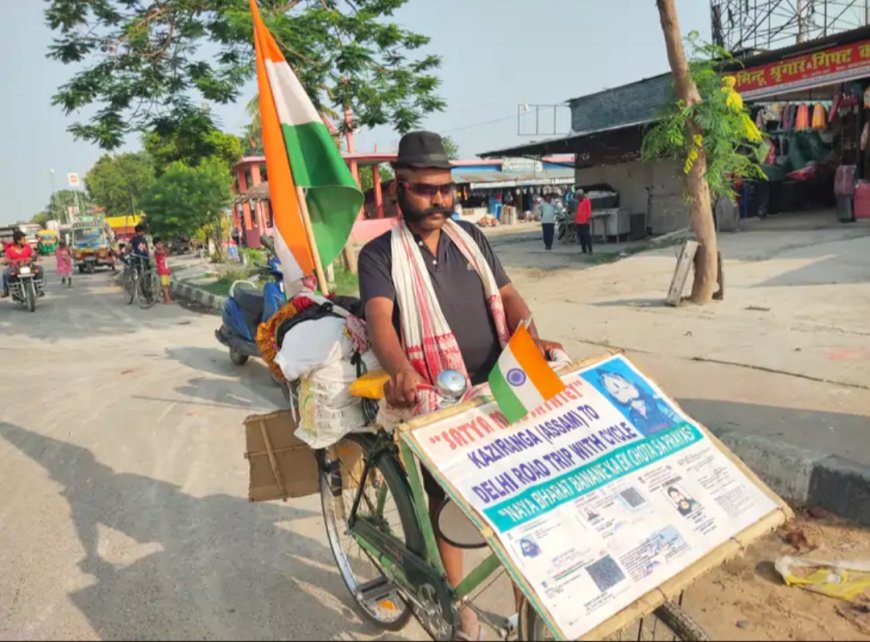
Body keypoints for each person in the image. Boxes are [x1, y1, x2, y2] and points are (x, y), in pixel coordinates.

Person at [358, 130, 563, 639]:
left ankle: (524, 617)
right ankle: (463, 613)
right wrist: (401, 370)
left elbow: (510, 297)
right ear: (398, 188)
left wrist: (531, 339)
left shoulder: (470, 238)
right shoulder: (379, 255)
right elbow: (380, 320)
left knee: (522, 503)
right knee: (444, 502)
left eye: (446, 189)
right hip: (437, 395)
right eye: (425, 190)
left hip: (499, 385)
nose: (439, 201)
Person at [2, 230, 45, 298]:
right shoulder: (10, 249)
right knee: (5, 273)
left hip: (28, 266)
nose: (25, 240)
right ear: (18, 241)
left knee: (40, 269)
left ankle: (39, 289)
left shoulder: (27, 247)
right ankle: (6, 291)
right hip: (15, 267)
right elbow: (7, 258)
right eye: (23, 239)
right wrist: (6, 261)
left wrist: (36, 257)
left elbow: (33, 254)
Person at [153, 238, 172, 304]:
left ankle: (165, 299)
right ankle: (168, 298)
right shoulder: (157, 251)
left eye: (160, 243)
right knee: (164, 285)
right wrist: (165, 248)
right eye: (158, 244)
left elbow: (167, 253)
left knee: (166, 285)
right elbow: (163, 252)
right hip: (161, 269)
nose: (159, 245)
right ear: (155, 245)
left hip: (166, 268)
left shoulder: (164, 250)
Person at [574, 189, 593, 254]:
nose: (578, 197)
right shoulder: (578, 202)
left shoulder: (587, 200)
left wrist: (588, 219)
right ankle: (583, 250)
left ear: (581, 195)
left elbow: (589, 210)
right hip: (578, 222)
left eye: (578, 196)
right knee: (581, 236)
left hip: (585, 221)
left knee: (587, 236)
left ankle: (590, 250)